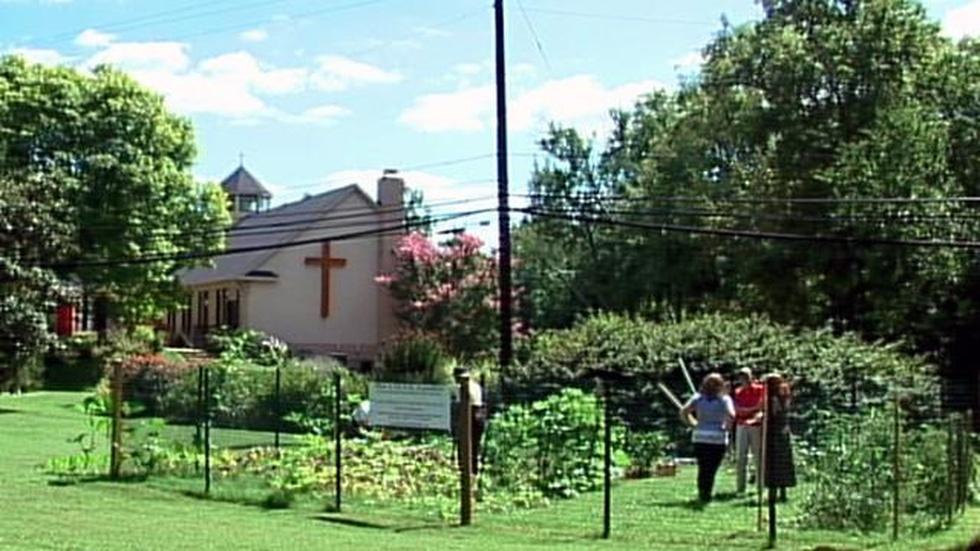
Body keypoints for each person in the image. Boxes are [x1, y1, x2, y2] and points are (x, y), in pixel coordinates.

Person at [680, 373, 736, 504]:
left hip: (700, 436)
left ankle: (703, 492)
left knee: (703, 467)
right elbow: (731, 415)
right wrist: (726, 427)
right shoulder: (724, 399)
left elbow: (684, 411)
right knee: (712, 467)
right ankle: (706, 492)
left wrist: (693, 424)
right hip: (717, 437)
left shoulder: (698, 398)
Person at [762, 373, 796, 502]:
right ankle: (777, 491)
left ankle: (778, 492)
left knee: (779, 462)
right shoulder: (774, 396)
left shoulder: (778, 397)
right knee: (776, 463)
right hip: (774, 432)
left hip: (777, 432)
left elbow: (779, 413)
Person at [733, 367, 765, 495]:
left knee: (758, 457)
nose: (744, 379)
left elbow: (761, 406)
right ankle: (740, 488)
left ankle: (760, 487)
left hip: (756, 425)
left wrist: (749, 411)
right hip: (741, 425)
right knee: (741, 457)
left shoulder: (760, 389)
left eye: (746, 376)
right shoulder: (738, 392)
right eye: (741, 377)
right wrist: (752, 409)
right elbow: (737, 410)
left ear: (751, 376)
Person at [453, 368, 486, 475]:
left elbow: (462, 404)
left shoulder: (463, 388)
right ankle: (472, 469)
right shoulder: (476, 386)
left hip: (470, 414)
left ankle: (466, 469)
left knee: (466, 443)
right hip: (478, 413)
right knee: (474, 444)